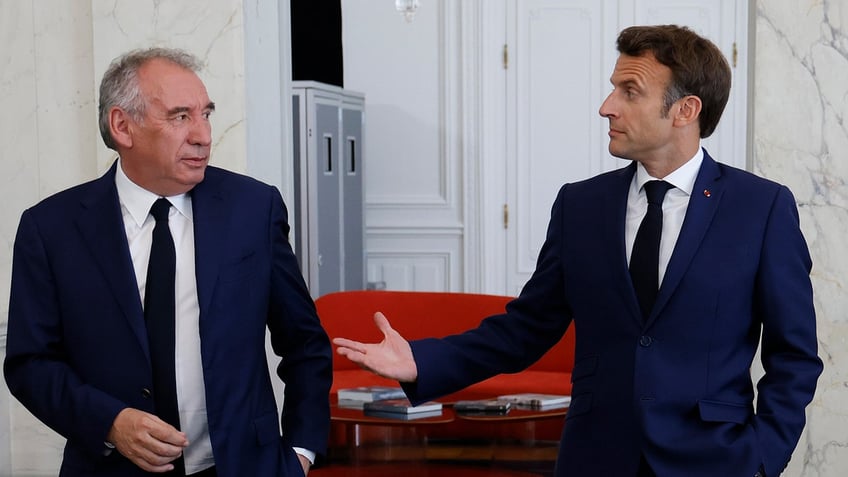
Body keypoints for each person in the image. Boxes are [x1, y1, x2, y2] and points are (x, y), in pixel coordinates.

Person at [333, 25, 822, 477]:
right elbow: (525, 329)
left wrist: (762, 459)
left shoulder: (761, 209)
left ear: (685, 111)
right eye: (613, 88)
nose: (607, 106)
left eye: (629, 92)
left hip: (716, 459)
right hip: (595, 457)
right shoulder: (580, 205)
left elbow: (794, 356)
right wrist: (421, 361)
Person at [4, 47, 332, 476]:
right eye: (180, 117)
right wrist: (110, 423)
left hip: (243, 466)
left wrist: (301, 455)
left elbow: (305, 343)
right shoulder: (51, 228)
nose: (202, 135)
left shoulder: (254, 209)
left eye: (206, 115)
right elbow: (31, 364)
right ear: (122, 126)